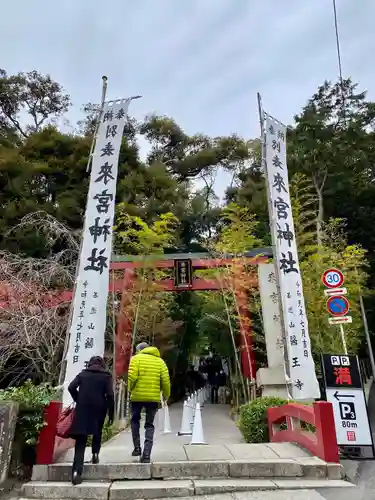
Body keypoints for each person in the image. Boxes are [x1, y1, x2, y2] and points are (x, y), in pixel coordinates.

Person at [67, 356, 114, 485]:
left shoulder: (83, 374)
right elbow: (110, 395)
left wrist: (78, 399)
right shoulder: (106, 376)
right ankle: (95, 454)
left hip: (82, 409)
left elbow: (71, 387)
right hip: (99, 408)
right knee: (97, 432)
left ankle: (76, 471)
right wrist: (111, 413)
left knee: (81, 440)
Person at [128, 342, 170, 463]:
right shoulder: (160, 362)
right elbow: (165, 381)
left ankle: (137, 447)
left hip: (137, 397)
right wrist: (166, 395)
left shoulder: (135, 359)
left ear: (139, 350)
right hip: (153, 398)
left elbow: (132, 377)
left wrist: (130, 389)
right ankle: (146, 454)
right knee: (149, 425)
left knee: (135, 420)